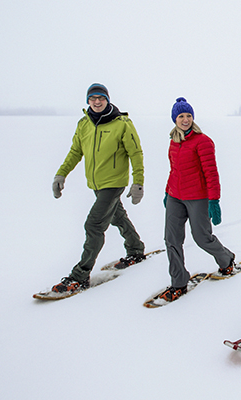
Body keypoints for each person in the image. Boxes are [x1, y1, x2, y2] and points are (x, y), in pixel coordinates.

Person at [50, 83, 146, 293]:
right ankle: (136, 249)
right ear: (88, 101)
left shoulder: (122, 123)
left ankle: (80, 275)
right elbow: (76, 152)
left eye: (100, 97)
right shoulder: (84, 124)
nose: (96, 101)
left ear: (107, 100)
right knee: (117, 217)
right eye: (92, 98)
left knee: (93, 226)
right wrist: (61, 174)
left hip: (114, 183)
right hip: (96, 184)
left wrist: (138, 182)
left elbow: (135, 153)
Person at [160, 97, 236, 301]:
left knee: (202, 238)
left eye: (189, 116)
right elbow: (173, 170)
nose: (185, 120)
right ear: (174, 119)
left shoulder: (203, 141)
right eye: (181, 116)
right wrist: (168, 193)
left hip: (198, 198)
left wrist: (214, 201)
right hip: (176, 197)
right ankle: (178, 282)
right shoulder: (173, 142)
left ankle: (226, 259)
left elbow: (211, 173)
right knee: (171, 240)